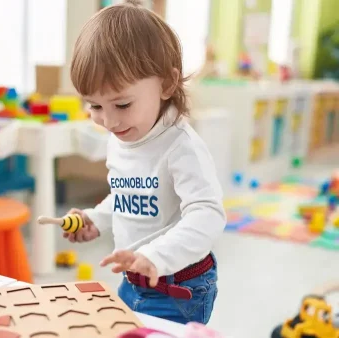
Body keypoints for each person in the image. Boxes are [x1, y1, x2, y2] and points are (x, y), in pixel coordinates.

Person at [64, 0, 226, 324]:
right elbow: (128, 198)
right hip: (133, 281)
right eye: (95, 106)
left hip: (179, 288)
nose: (108, 121)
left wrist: (156, 256)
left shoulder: (181, 148)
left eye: (122, 104)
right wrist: (96, 218)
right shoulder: (122, 137)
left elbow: (208, 215)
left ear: (166, 84)